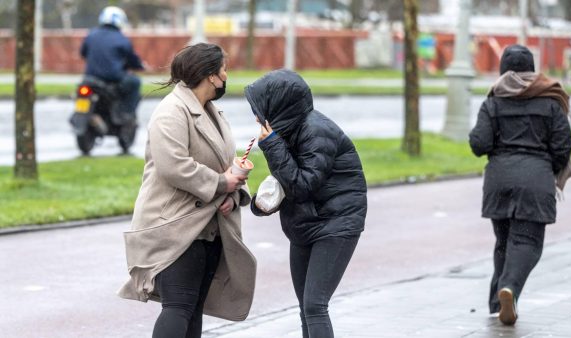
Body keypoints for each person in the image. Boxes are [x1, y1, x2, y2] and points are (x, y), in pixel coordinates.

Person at [118, 43, 257, 338]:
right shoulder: (171, 112)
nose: (226, 75)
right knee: (179, 306)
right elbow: (174, 166)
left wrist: (232, 193)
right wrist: (222, 184)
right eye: (223, 69)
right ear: (210, 76)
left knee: (192, 308)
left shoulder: (210, 111)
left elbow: (218, 163)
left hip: (207, 226)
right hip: (174, 226)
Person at [245, 69, 368, 338]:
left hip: (336, 224)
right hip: (306, 224)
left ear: (279, 106)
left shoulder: (316, 131)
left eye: (260, 108)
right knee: (305, 307)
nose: (256, 116)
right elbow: (287, 181)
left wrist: (273, 146)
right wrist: (261, 203)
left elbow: (301, 185)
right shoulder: (289, 129)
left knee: (314, 305)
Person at [469, 44, 571, 326]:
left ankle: (496, 304)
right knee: (527, 242)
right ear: (532, 70)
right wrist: (544, 169)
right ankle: (510, 290)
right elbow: (563, 146)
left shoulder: (493, 101)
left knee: (503, 242)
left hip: (498, 180)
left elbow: (479, 144)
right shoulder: (551, 102)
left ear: (503, 70)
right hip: (536, 179)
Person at [80, 6, 144, 121]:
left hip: (90, 77)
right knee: (135, 81)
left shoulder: (90, 35)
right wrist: (140, 66)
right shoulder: (122, 39)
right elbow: (132, 60)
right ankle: (125, 114)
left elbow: (83, 53)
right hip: (112, 78)